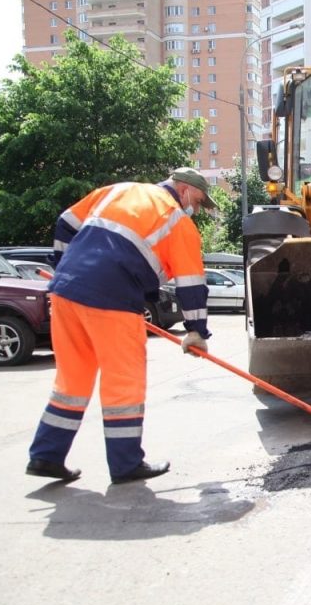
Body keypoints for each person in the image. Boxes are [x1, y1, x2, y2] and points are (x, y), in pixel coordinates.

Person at [26, 168, 214, 485]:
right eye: (196, 200)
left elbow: (65, 222)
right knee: (123, 383)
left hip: (66, 293)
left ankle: (46, 455)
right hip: (113, 300)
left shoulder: (118, 191)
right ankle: (126, 464)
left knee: (72, 381)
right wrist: (197, 331)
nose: (194, 209)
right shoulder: (177, 221)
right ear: (183, 190)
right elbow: (191, 283)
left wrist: (65, 268)